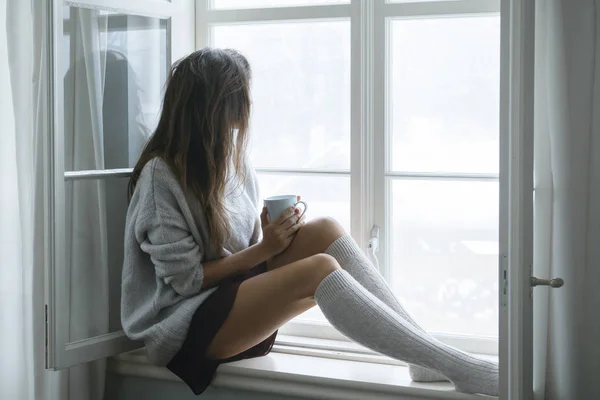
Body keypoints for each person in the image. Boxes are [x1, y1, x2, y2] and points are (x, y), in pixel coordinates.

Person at [121, 48, 498, 397]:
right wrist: (264, 250)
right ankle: (453, 364)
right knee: (320, 269)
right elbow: (186, 281)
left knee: (325, 229)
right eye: (243, 93)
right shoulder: (162, 178)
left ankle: (421, 355)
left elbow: (243, 251)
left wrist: (271, 234)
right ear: (216, 105)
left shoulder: (233, 162)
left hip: (233, 301)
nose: (251, 102)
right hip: (190, 329)